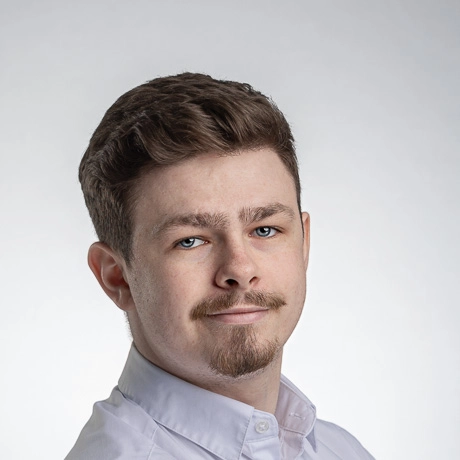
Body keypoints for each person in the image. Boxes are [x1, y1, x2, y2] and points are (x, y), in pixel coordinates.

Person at [66, 73, 374, 460]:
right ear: (116, 276)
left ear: (303, 243)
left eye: (265, 229)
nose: (240, 269)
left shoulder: (338, 449)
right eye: (190, 240)